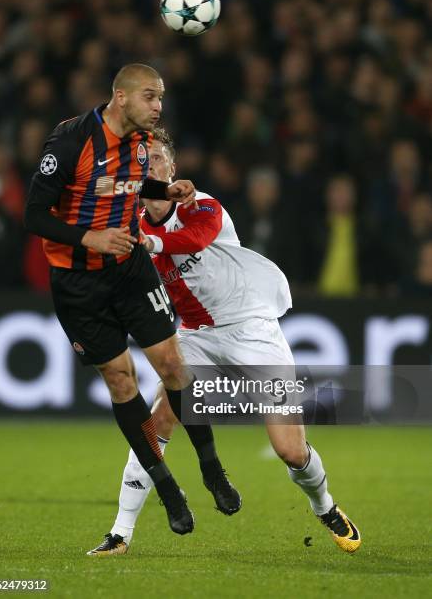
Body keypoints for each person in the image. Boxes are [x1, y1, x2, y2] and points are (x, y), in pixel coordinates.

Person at [87, 128, 361, 556]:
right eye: (142, 160)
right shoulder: (128, 229)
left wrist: (150, 241)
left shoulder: (202, 204)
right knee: (157, 419)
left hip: (252, 329)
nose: (151, 166)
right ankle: (120, 533)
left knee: (290, 451)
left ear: (172, 169)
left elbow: (195, 239)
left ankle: (325, 506)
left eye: (158, 158)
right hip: (196, 335)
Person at [24, 64, 241, 539]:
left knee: (174, 369)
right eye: (150, 97)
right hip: (79, 283)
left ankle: (212, 469)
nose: (158, 106)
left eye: (161, 97)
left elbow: (128, 186)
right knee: (122, 382)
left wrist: (169, 190)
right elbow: (34, 215)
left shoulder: (142, 144)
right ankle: (166, 489)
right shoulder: (70, 143)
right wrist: (90, 239)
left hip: (128, 269)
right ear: (120, 97)